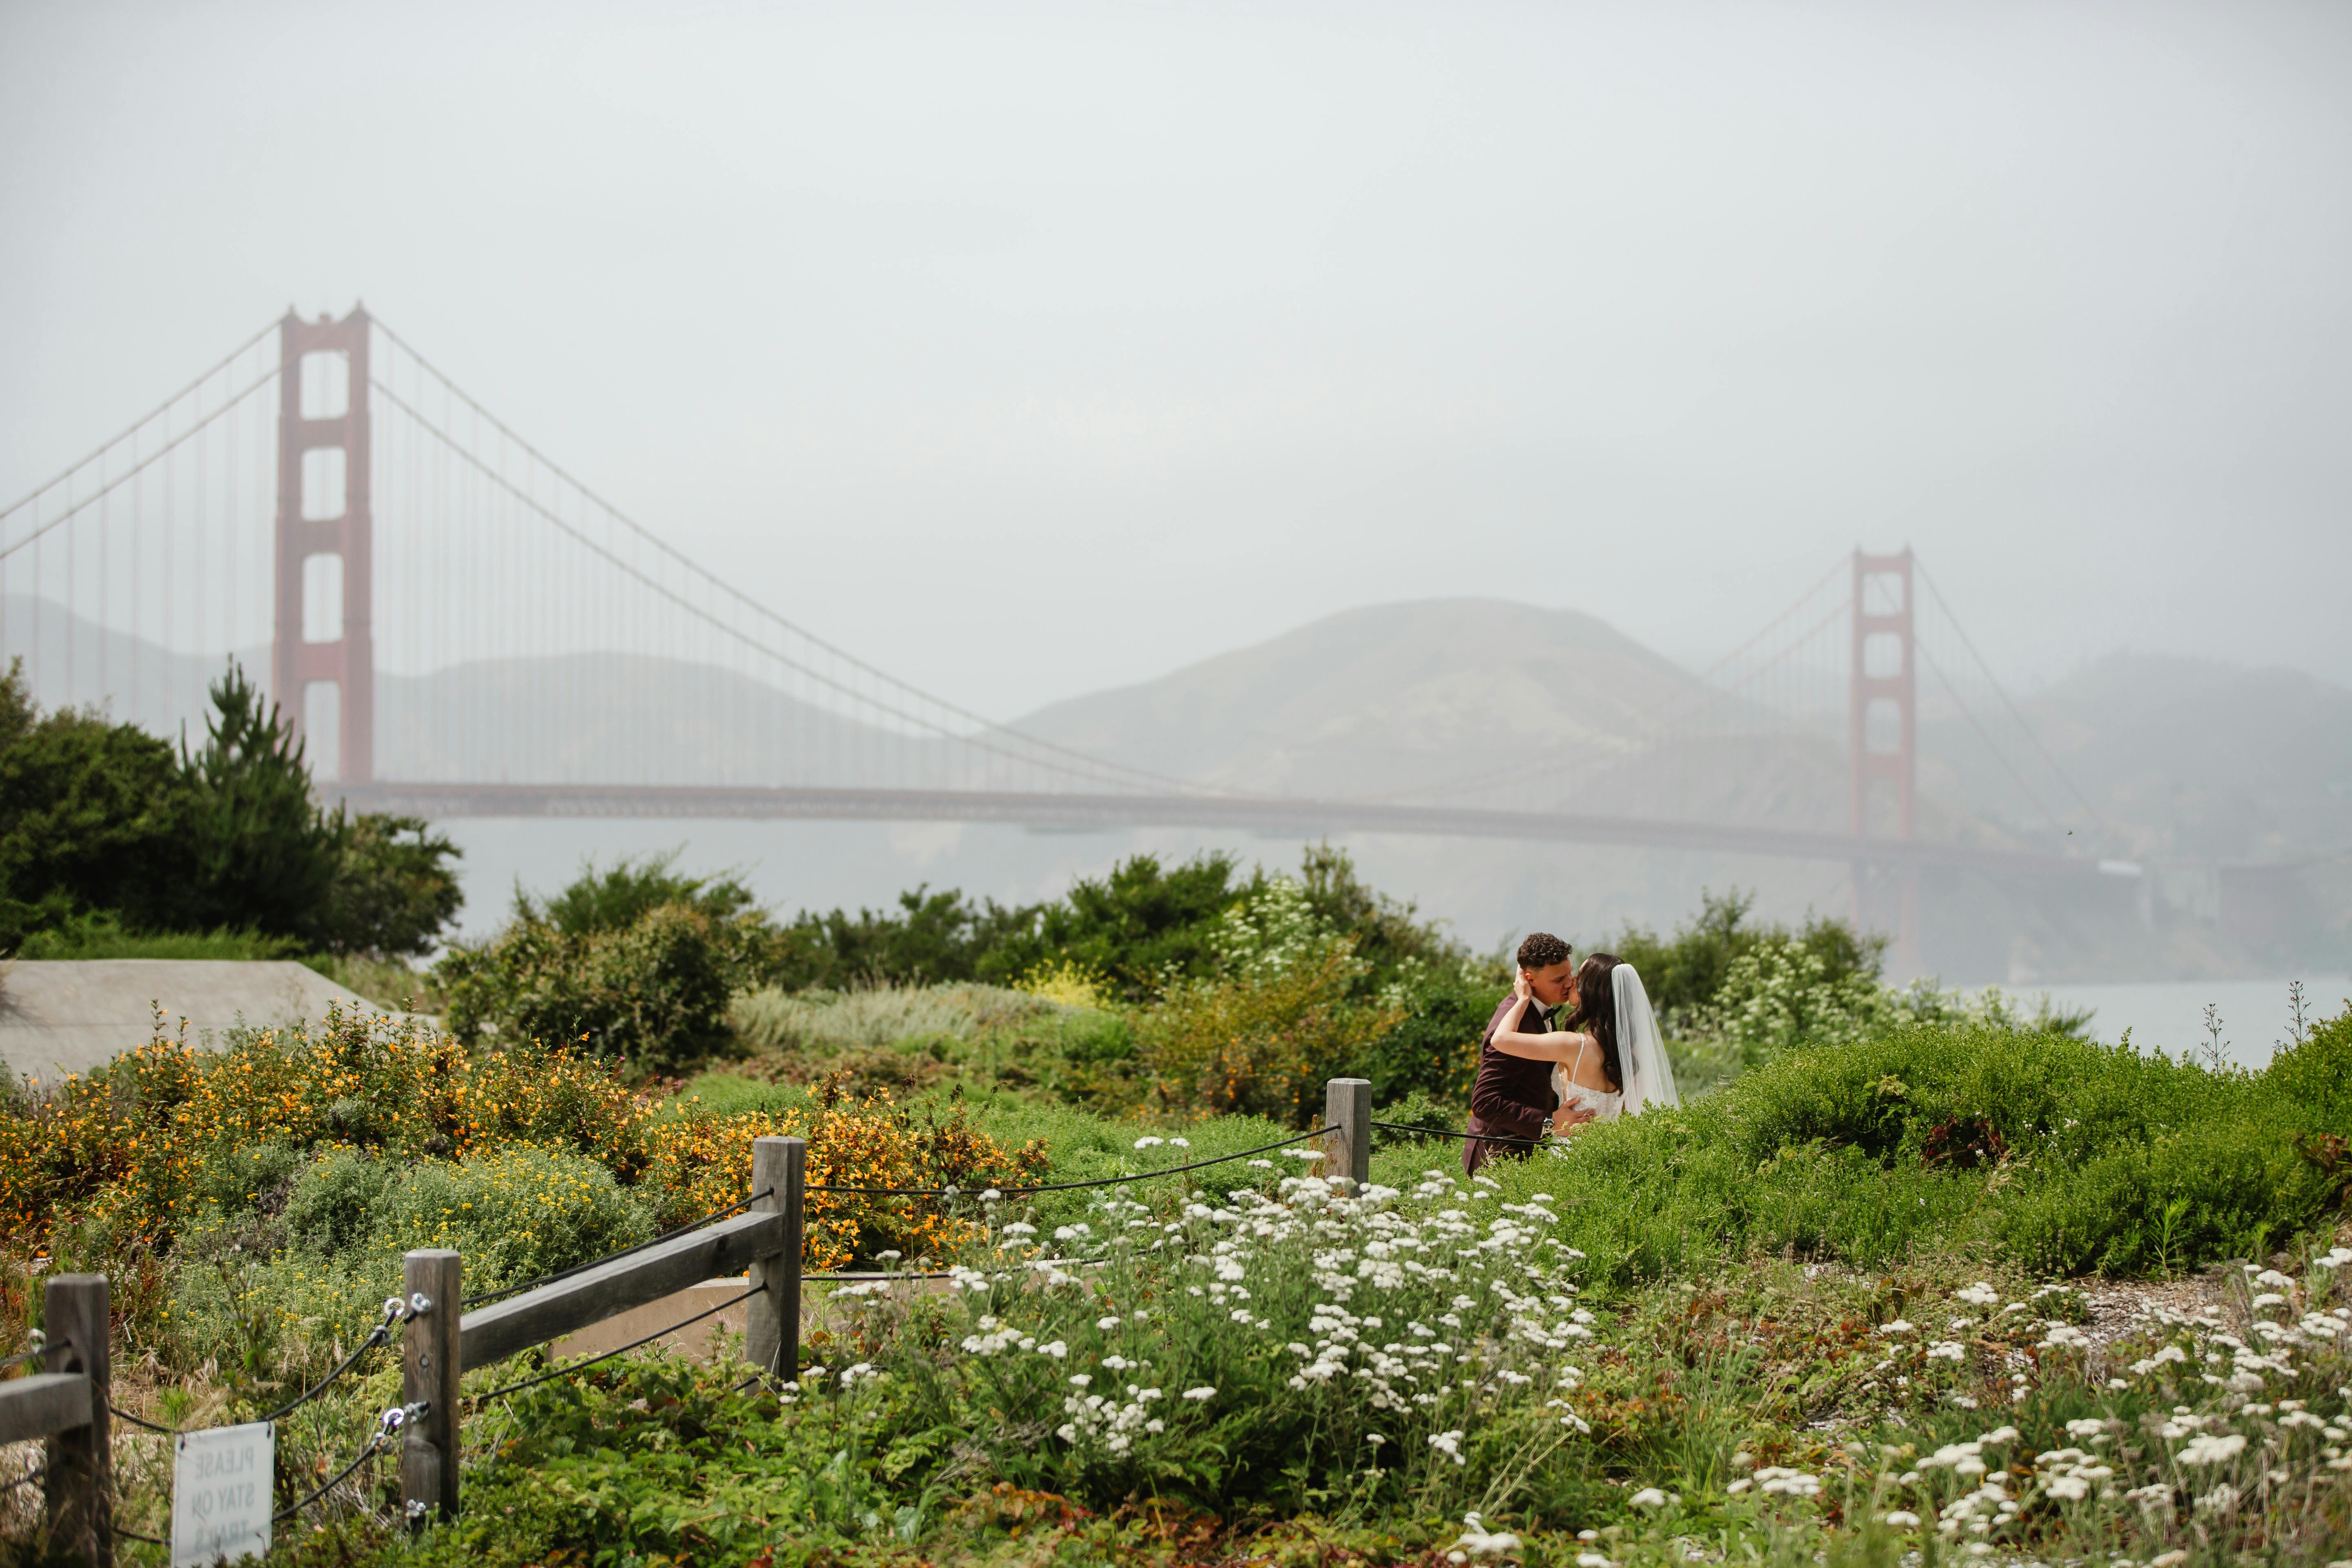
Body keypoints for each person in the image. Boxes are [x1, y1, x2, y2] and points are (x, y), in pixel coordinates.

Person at [1484, 951, 1682, 1128]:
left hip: (1568, 1153)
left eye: (1579, 976)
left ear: (1592, 990)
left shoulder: (1574, 1045)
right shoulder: (1627, 1049)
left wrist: (1523, 999)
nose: (1572, 981)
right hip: (1604, 1152)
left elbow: (1501, 1039)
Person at [1463, 932, 1595, 1173]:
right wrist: (1549, 1123)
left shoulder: (1542, 1009)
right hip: (1500, 1159)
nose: (1570, 982)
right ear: (1529, 979)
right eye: (1558, 980)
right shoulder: (1512, 1025)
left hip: (1527, 1153)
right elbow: (1485, 1102)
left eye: (1569, 973)